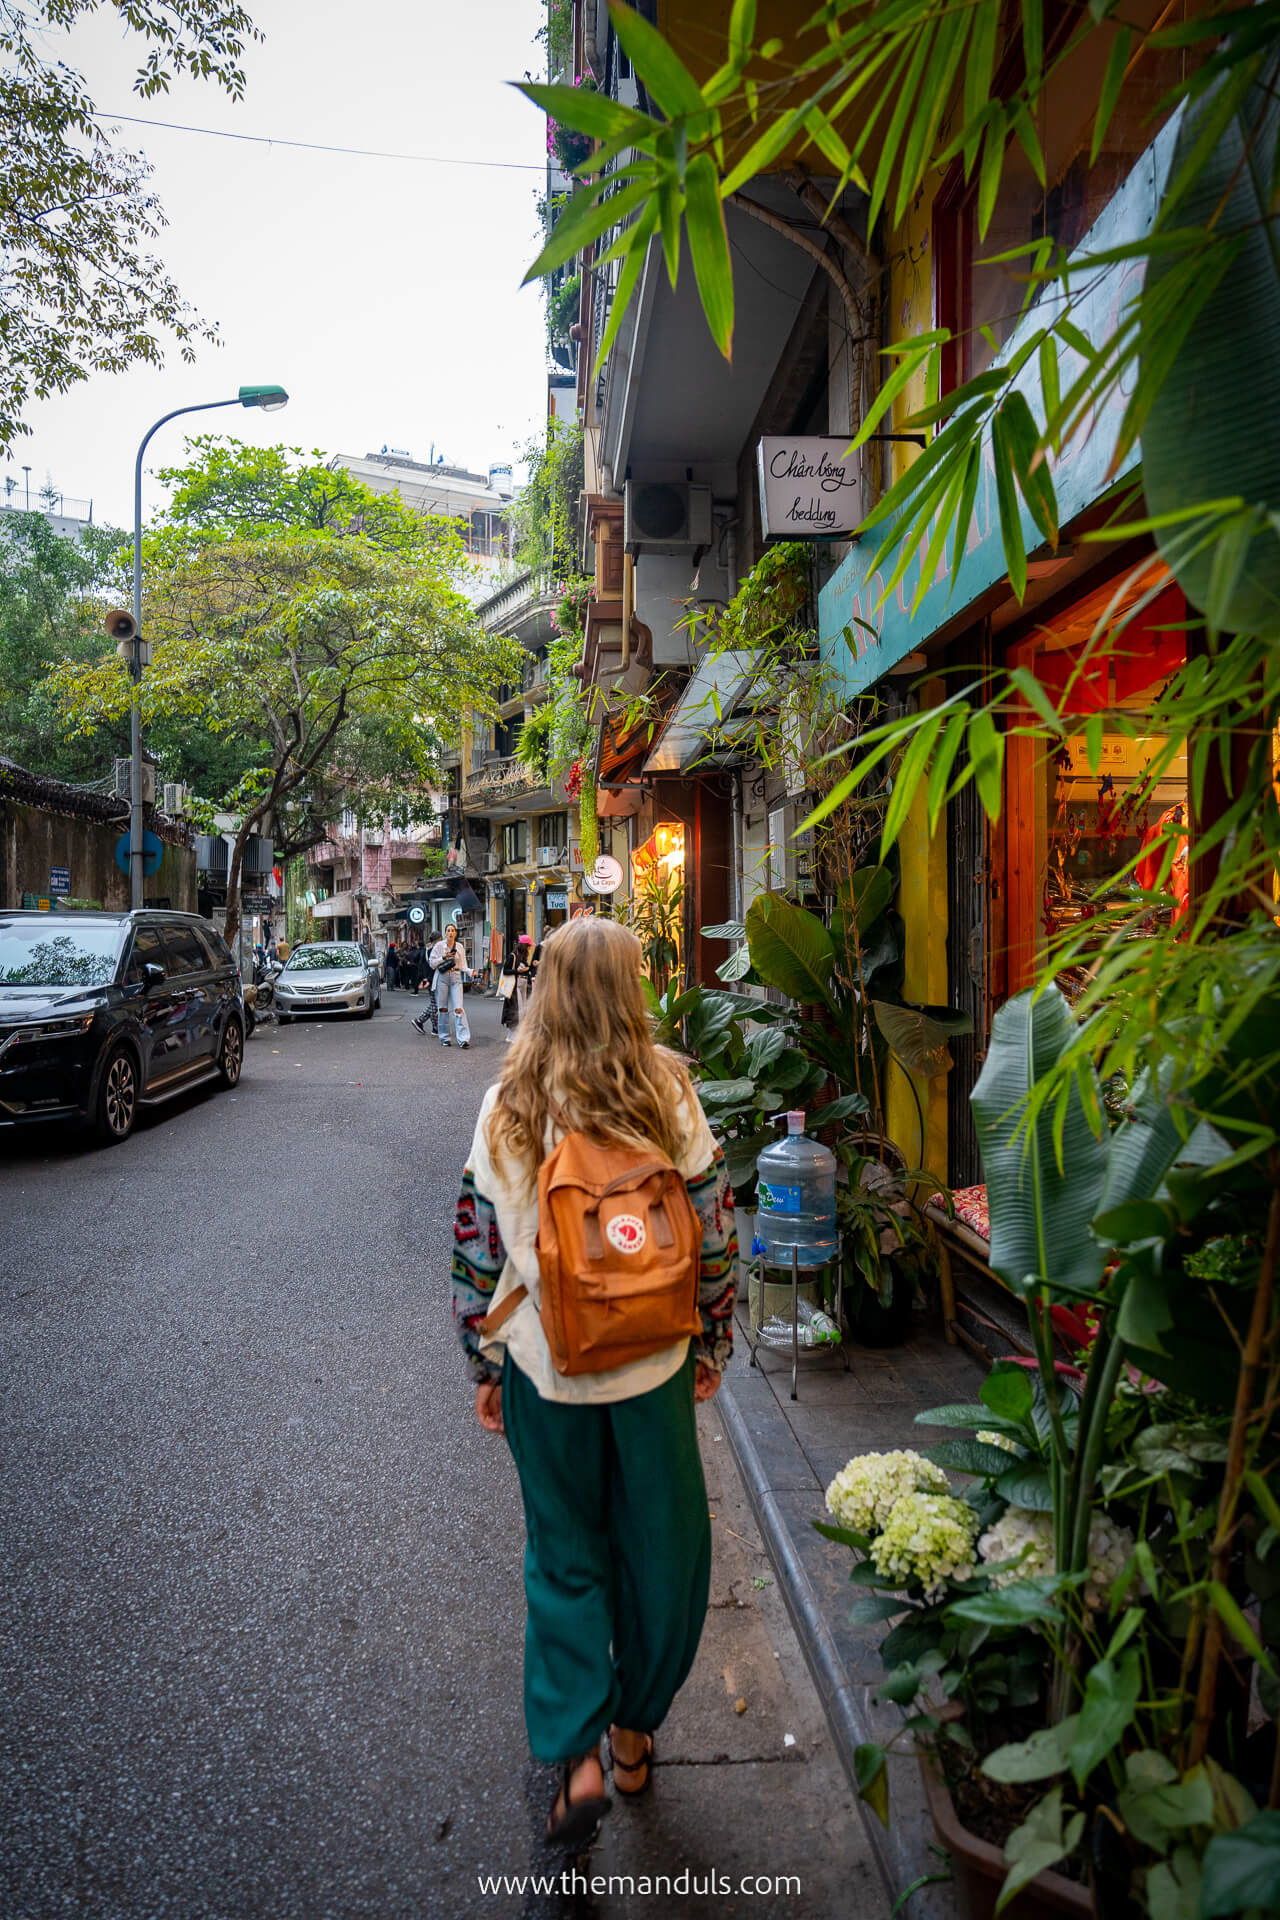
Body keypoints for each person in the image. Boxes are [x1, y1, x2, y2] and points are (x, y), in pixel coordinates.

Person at [450, 917, 737, 1848]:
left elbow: (473, 1243)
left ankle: (573, 1756)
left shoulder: (509, 1102)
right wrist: (713, 1344)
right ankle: (631, 1730)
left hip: (546, 1367)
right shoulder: (669, 1092)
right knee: (665, 1557)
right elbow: (715, 1228)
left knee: (564, 1557)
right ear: (630, 988)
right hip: (652, 1369)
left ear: (543, 988)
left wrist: (481, 1363)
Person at [418, 923, 472, 1047]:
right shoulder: (439, 946)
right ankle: (444, 1038)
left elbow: (463, 964)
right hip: (442, 977)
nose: (451, 933)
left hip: (456, 977)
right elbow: (431, 963)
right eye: (448, 930)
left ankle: (463, 1039)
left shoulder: (459, 946)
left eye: (453, 930)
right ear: (445, 933)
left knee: (459, 1008)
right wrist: (443, 957)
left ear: (455, 933)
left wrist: (470, 972)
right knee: (442, 1009)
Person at [499, 933, 538, 1045]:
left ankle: (516, 1035)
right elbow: (506, 970)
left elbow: (525, 970)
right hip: (513, 987)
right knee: (515, 1010)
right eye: (529, 946)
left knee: (521, 1011)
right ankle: (511, 1036)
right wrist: (517, 971)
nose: (530, 948)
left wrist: (531, 967)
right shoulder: (513, 956)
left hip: (522, 986)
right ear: (524, 946)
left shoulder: (523, 957)